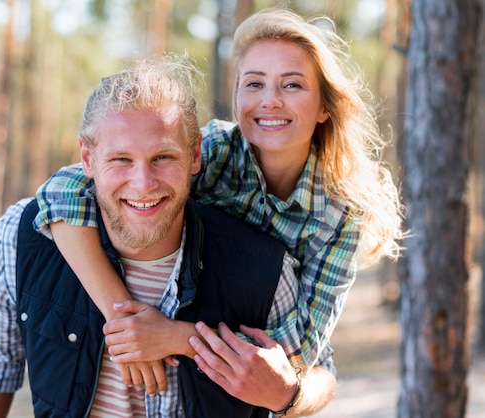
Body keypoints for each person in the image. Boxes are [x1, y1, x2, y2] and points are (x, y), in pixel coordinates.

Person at [34, 5, 404, 381]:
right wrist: (121, 313)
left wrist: (177, 337)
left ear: (325, 106)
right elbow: (61, 188)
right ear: (237, 96)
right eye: (254, 83)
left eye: (292, 84)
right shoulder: (213, 151)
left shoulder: (341, 212)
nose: (270, 100)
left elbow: (300, 347)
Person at [0, 54, 337, 418]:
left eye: (163, 158)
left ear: (194, 157)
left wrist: (284, 394)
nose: (143, 184)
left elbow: (308, 376)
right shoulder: (21, 238)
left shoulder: (265, 270)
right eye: (121, 159)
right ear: (87, 161)